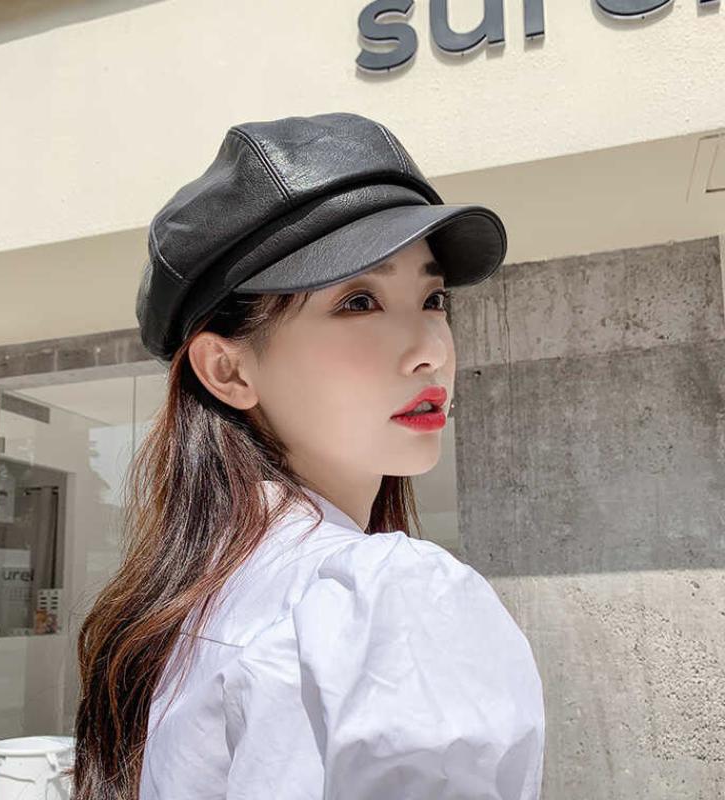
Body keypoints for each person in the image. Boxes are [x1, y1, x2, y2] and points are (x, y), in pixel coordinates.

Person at [71, 112, 545, 800]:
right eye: (359, 301)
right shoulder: (380, 599)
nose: (431, 350)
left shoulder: (192, 609)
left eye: (432, 297)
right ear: (229, 370)